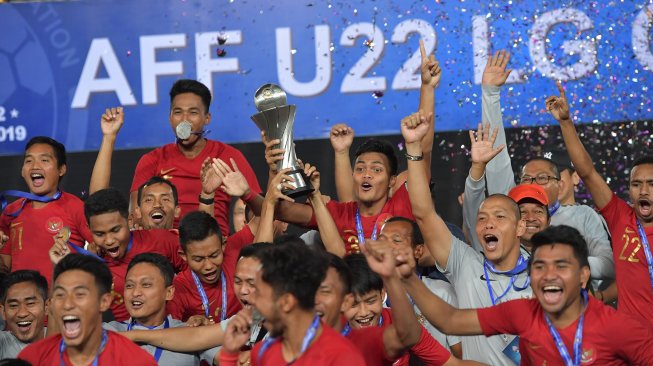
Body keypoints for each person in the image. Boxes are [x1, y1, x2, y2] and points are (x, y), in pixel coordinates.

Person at [263, 41, 441, 254]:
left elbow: (424, 150)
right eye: (360, 169)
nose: (366, 174)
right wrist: (272, 171)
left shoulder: (403, 205)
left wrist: (427, 87)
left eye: (376, 169)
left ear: (392, 181)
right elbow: (279, 210)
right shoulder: (339, 213)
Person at [465, 51, 614, 287]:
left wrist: (559, 264)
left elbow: (609, 265)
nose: (532, 184)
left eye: (542, 178)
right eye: (527, 178)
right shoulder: (514, 207)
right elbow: (497, 160)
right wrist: (490, 94)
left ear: (560, 183)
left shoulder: (582, 216)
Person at [403, 225, 653, 364]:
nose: (549, 275)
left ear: (583, 275)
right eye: (540, 266)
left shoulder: (619, 328)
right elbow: (449, 320)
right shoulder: (522, 313)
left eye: (562, 266)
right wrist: (406, 277)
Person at [404, 115, 529, 364]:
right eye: (482, 218)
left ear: (520, 227)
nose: (488, 223)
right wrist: (414, 148)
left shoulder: (543, 274)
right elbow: (423, 213)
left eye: (499, 217)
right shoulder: (465, 263)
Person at [549, 81, 653, 323]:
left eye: (651, 184)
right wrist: (565, 122)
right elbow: (587, 172)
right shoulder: (620, 217)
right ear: (629, 190)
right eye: (636, 184)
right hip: (631, 343)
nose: (644, 191)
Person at [130, 79, 262, 234]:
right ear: (170, 117)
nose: (184, 120)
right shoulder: (152, 160)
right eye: (178, 112)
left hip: (217, 248)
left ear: (207, 118)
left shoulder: (229, 156)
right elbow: (136, 214)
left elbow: (260, 210)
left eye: (193, 112)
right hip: (165, 245)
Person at [219, 239, 366, 365]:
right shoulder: (263, 351)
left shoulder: (342, 358)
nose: (252, 301)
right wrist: (229, 355)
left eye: (259, 295)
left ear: (287, 302)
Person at [48, 188, 186, 321]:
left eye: (115, 230)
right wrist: (58, 266)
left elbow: (198, 275)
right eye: (99, 234)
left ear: (129, 221)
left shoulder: (162, 241)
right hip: (122, 338)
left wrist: (188, 312)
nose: (109, 241)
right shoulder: (91, 266)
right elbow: (68, 310)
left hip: (170, 333)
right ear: (90, 230)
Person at [17, 254, 156, 365]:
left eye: (80, 294)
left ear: (104, 302)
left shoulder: (136, 361)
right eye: (60, 295)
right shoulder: (31, 358)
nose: (67, 304)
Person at [0, 136, 93, 283]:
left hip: (61, 300)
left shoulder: (75, 207)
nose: (35, 166)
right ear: (23, 171)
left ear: (61, 169)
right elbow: (4, 267)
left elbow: (99, 248)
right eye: (29, 161)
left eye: (44, 160)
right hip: (22, 301)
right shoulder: (10, 212)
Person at [104, 253, 219, 365]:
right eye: (129, 285)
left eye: (146, 285)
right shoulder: (109, 331)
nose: (135, 292)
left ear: (169, 293)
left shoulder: (190, 331)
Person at [379, 216, 463, 357]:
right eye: (381, 240)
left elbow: (461, 354)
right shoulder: (370, 298)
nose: (386, 247)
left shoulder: (441, 294)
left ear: (418, 251)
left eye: (396, 241)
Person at [166, 210, 254, 322]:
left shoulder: (234, 251)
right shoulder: (178, 289)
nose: (208, 266)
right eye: (198, 259)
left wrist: (247, 194)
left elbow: (261, 216)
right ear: (183, 256)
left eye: (214, 255)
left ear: (223, 245)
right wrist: (188, 327)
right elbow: (168, 332)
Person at [0, 270, 48, 358]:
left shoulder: (67, 341)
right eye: (13, 305)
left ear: (47, 306)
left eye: (30, 303)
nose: (22, 313)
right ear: (3, 312)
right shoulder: (2, 343)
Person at [506, 184, 550, 253]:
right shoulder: (495, 258)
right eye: (522, 212)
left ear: (548, 220)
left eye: (538, 211)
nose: (531, 218)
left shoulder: (564, 256)